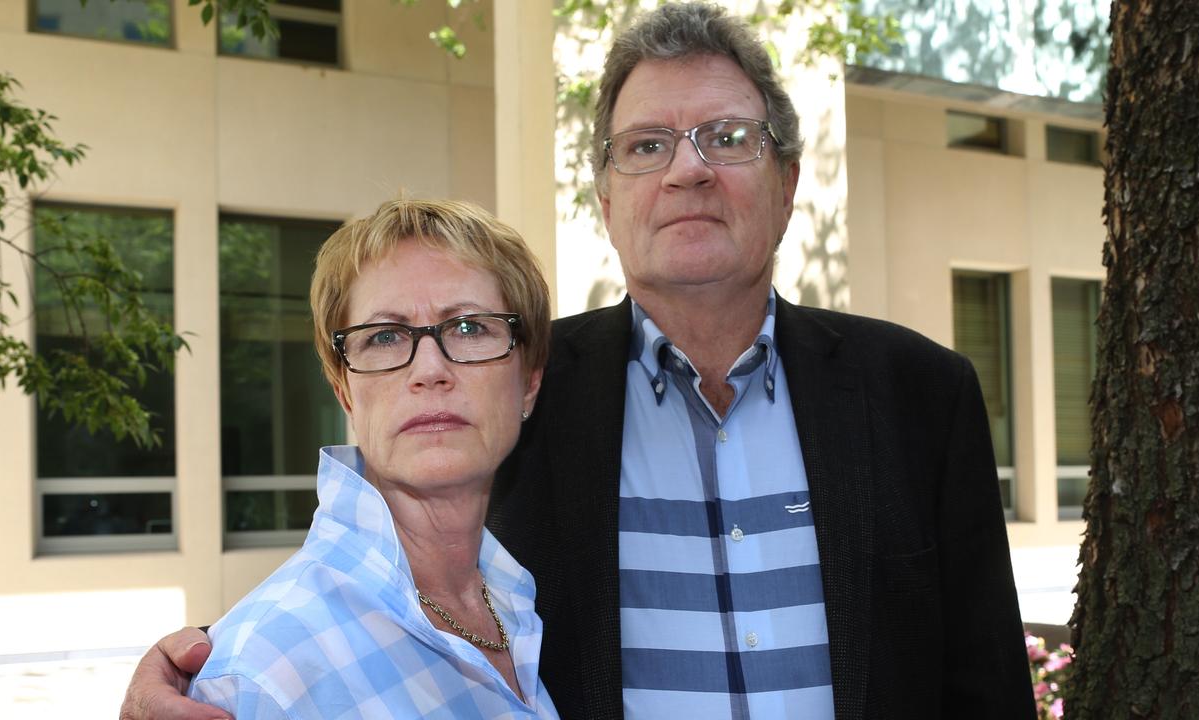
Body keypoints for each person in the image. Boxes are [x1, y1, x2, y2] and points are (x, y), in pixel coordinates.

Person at [121, 4, 1035, 719]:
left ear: (788, 182)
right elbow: (404, 564)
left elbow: (987, 687)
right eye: (647, 146)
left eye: (727, 138)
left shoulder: (920, 394)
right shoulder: (524, 384)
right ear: (604, 198)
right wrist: (218, 661)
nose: (688, 171)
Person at [182, 198, 558, 718]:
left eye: (470, 327)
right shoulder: (263, 673)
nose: (429, 369)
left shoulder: (522, 602)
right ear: (345, 393)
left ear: (530, 383)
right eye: (385, 336)